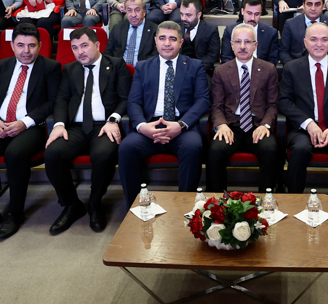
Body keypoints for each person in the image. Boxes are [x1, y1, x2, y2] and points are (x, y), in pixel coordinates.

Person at [0, 23, 61, 242]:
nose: (26, 51)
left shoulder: (51, 67)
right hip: (1, 124)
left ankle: (15, 213)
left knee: (15, 154)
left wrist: (24, 122)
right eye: (20, 45)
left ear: (40, 45)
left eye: (31, 45)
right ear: (12, 45)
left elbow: (53, 102)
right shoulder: (1, 66)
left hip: (32, 126)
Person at [44, 27, 131, 234]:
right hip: (75, 127)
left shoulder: (116, 64)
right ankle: (71, 204)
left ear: (97, 45)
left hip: (104, 125)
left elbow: (125, 98)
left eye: (84, 45)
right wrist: (59, 125)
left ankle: (94, 202)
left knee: (103, 154)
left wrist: (113, 119)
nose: (79, 52)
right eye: (75, 48)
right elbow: (62, 100)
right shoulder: (70, 69)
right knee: (53, 154)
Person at [279, 21, 328, 246]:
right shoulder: (292, 67)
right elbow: (284, 101)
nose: (319, 44)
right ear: (305, 42)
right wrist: (308, 124)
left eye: (324, 39)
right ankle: (294, 206)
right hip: (303, 128)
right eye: (313, 39)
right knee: (300, 149)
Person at [117, 21, 210, 206]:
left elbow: (203, 100)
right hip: (150, 126)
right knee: (127, 147)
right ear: (155, 41)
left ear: (181, 42)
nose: (167, 43)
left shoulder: (194, 66)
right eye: (162, 38)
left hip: (181, 126)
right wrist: (142, 127)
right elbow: (133, 102)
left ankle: (186, 206)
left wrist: (181, 125)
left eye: (172, 39)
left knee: (193, 147)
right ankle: (134, 206)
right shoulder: (143, 67)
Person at [208, 23, 279, 192]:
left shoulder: (268, 69)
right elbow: (216, 105)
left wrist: (265, 125)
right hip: (231, 125)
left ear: (255, 45)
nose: (242, 46)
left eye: (247, 42)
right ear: (231, 45)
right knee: (216, 150)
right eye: (238, 42)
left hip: (257, 125)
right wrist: (221, 124)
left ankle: (266, 200)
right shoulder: (221, 71)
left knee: (270, 149)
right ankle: (217, 200)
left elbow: (273, 104)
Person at [279, 0, 328, 64]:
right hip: (297, 66)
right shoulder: (290, 24)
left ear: (323, 6)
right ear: (303, 5)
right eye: (309, 4)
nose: (313, 8)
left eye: (317, 4)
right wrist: (292, 68)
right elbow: (283, 52)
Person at [220, 0, 279, 64]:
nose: (252, 18)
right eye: (249, 13)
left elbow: (273, 60)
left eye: (257, 14)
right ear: (242, 11)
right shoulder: (230, 30)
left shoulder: (271, 33)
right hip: (236, 69)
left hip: (261, 69)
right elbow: (226, 58)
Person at [104, 0, 158, 66]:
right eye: (129, 10)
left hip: (143, 69)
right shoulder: (117, 28)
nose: (133, 15)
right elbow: (108, 53)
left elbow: (156, 56)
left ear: (144, 12)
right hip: (119, 69)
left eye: (137, 10)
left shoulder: (155, 30)